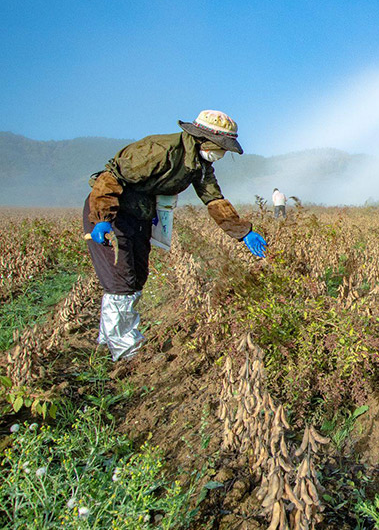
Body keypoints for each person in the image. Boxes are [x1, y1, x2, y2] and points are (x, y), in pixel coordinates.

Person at [84, 110, 267, 361]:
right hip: (113, 211)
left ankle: (108, 340)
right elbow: (110, 179)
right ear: (203, 139)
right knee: (121, 279)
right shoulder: (160, 150)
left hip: (139, 214)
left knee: (136, 277)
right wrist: (102, 219)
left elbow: (213, 199)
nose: (221, 154)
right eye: (221, 148)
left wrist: (243, 231)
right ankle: (127, 356)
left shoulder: (200, 166)